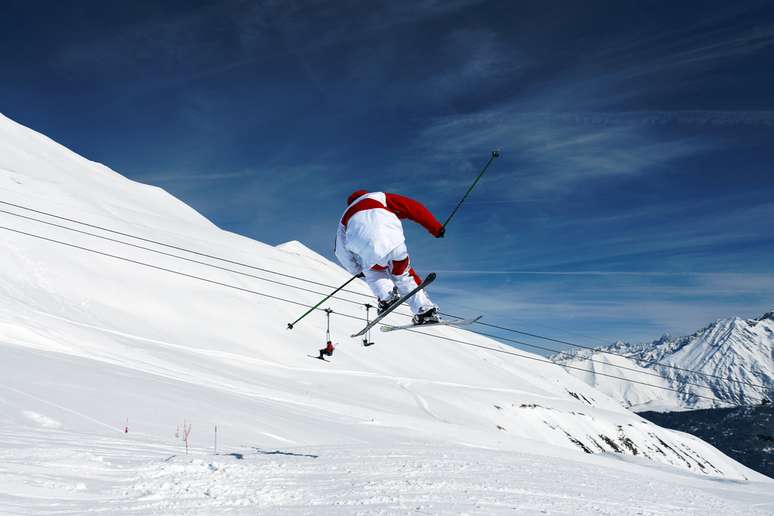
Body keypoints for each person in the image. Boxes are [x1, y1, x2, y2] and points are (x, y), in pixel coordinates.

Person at [335, 190, 445, 325]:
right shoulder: (378, 197)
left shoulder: (344, 218)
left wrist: (357, 271)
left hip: (368, 254)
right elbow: (413, 208)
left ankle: (387, 296)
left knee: (374, 274)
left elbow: (340, 252)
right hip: (395, 244)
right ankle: (425, 311)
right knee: (404, 276)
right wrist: (436, 228)